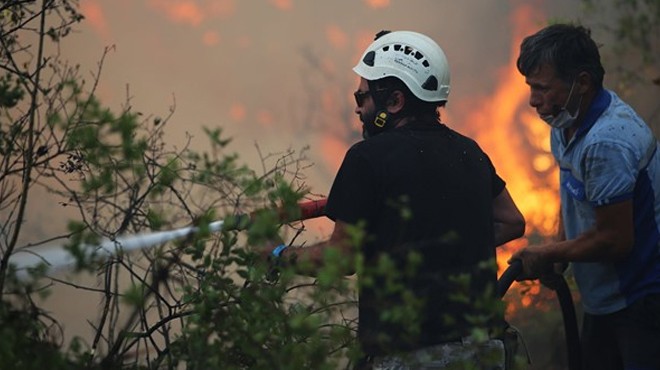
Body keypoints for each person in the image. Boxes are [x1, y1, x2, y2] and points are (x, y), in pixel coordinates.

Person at [264, 30, 525, 369]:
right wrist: (446, 247)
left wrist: (277, 254)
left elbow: (341, 260)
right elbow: (512, 221)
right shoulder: (470, 152)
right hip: (486, 352)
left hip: (411, 356)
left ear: (396, 101)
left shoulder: (367, 158)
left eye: (363, 99)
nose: (358, 109)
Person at [510, 23, 660, 370]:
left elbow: (616, 239)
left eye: (542, 88)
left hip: (642, 299)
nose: (534, 100)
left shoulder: (607, 142)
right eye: (531, 87)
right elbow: (574, 196)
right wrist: (560, 251)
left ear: (582, 82)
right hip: (604, 301)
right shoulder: (565, 124)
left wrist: (549, 252)